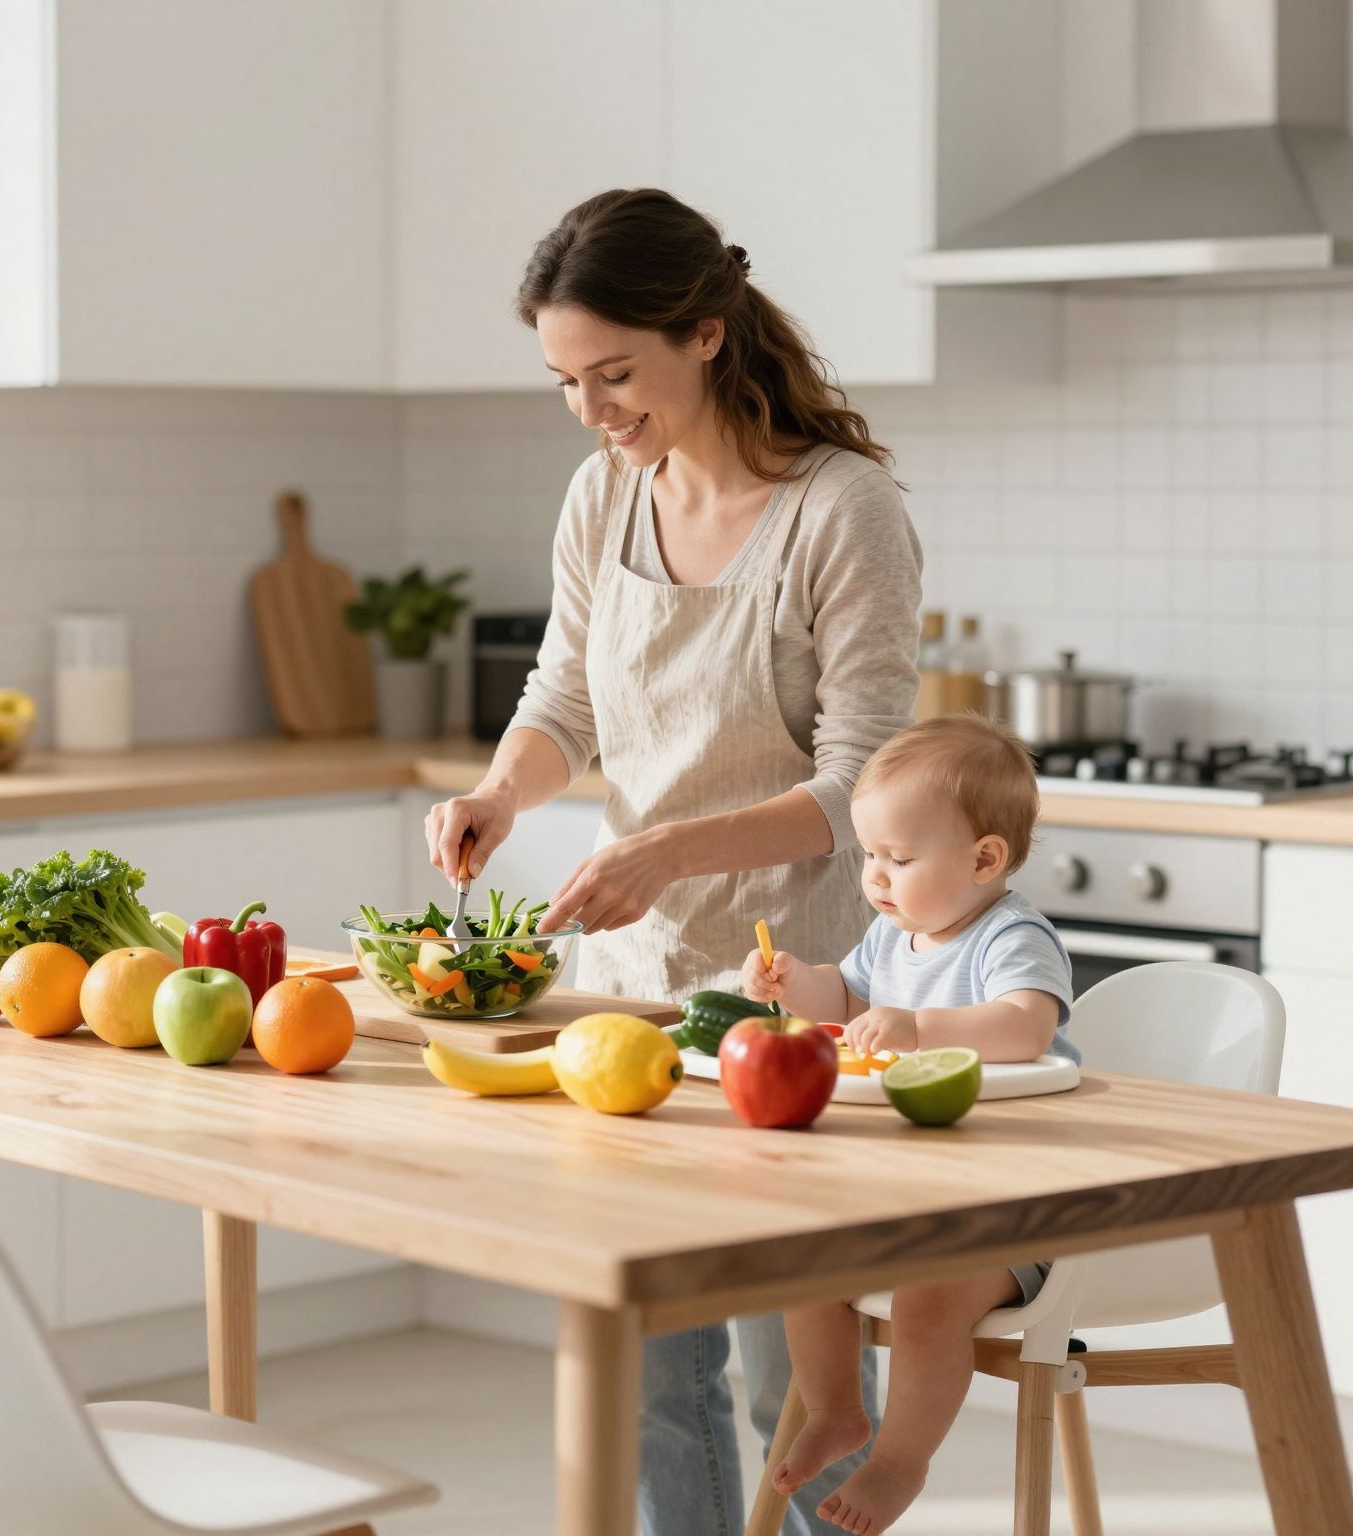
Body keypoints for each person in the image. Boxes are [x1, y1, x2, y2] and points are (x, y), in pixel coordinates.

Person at [422, 187, 922, 1535]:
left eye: (613, 374)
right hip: (629, 988)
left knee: (797, 1385)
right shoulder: (603, 495)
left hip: (794, 994)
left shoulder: (841, 510)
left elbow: (864, 783)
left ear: (705, 333)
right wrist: (499, 791)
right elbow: (561, 699)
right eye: (564, 382)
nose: (589, 411)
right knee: (653, 1378)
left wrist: (670, 848)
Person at [740, 714, 1077, 1534]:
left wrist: (918, 1027)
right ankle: (835, 1413)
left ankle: (898, 1462)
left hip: (1016, 1213)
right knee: (805, 1258)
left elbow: (1026, 1025)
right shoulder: (897, 936)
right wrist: (796, 983)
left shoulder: (1010, 937)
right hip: (914, 1203)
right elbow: (847, 999)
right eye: (870, 857)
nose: (877, 878)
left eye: (898, 858)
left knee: (929, 1301)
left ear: (985, 860)